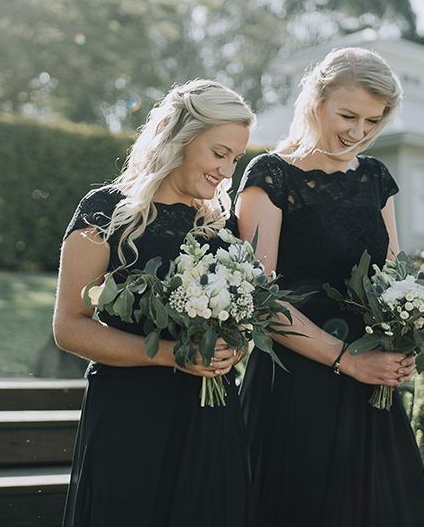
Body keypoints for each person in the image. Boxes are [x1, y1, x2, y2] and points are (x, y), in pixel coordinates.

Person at [235, 47, 424, 527]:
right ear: (315, 99)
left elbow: (392, 277)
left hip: (371, 389)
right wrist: (348, 361)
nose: (358, 132)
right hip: (295, 382)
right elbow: (259, 299)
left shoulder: (374, 178)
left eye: (373, 121)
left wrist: (406, 335)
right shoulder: (270, 176)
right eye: (348, 115)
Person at [53, 79, 255, 527]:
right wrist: (172, 357)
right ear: (179, 139)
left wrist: (234, 344)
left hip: (212, 415)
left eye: (235, 159)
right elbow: (69, 326)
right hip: (129, 416)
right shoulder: (106, 210)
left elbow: (240, 321)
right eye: (219, 153)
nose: (227, 170)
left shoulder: (225, 228)